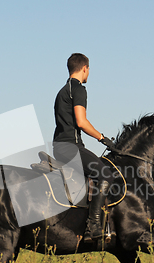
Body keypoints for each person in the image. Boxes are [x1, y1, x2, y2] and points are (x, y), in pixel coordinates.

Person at [53, 53, 116, 242]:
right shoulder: (78, 89)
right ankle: (94, 227)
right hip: (70, 148)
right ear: (84, 68)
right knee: (106, 174)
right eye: (89, 70)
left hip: (60, 145)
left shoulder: (62, 91)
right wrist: (102, 138)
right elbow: (81, 122)